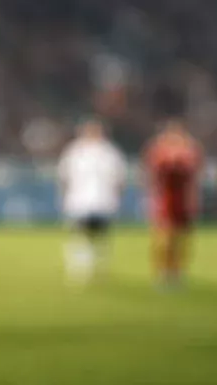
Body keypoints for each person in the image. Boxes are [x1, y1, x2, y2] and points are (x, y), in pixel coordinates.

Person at [55, 119, 129, 284]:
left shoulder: (110, 153)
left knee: (100, 237)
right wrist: (64, 198)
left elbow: (120, 179)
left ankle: (99, 268)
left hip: (103, 202)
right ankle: (79, 269)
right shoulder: (75, 151)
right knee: (79, 235)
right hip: (79, 201)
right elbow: (63, 177)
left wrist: (117, 199)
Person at [143, 119, 202, 288]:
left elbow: (193, 171)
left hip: (183, 200)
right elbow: (153, 172)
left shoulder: (190, 150)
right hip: (164, 200)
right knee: (164, 238)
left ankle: (177, 271)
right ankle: (163, 271)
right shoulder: (159, 150)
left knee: (181, 239)